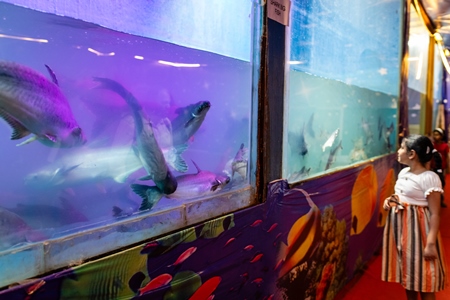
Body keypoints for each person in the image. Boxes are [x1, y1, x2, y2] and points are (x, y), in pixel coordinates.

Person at [381, 134, 447, 300]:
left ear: (412, 154)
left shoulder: (429, 178)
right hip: (403, 231)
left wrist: (431, 243)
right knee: (409, 275)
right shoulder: (403, 172)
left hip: (420, 233)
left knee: (424, 278)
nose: (398, 151)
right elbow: (402, 196)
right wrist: (392, 200)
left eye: (402, 147)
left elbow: (435, 213)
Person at [432, 128, 449, 207]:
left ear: (441, 136)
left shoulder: (445, 146)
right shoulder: (432, 145)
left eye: (437, 134)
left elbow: (447, 157)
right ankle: (432, 201)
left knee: (441, 184)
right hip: (432, 167)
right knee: (432, 184)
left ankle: (441, 200)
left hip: (442, 168)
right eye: (434, 134)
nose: (435, 136)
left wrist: (447, 168)